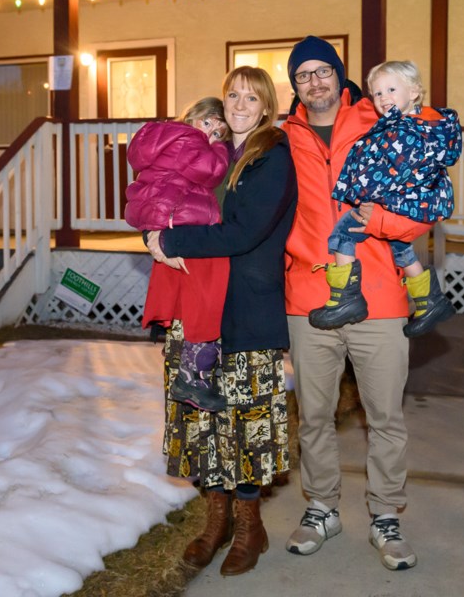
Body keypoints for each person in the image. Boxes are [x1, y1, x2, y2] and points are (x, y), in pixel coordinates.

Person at [280, 36, 430, 571]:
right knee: (314, 415)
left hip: (379, 294)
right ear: (294, 85)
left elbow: (422, 194)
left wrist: (380, 225)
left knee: (385, 415)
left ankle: (386, 514)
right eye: (304, 75)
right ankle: (322, 507)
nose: (315, 82)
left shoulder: (380, 118)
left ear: (339, 77)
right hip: (308, 294)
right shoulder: (282, 137)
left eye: (324, 71)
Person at [145, 66, 298, 576]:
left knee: (246, 422)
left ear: (266, 106)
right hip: (197, 308)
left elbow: (241, 232)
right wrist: (156, 226)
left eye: (250, 98)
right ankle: (215, 524)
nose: (237, 104)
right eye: (232, 95)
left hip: (247, 311)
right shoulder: (206, 152)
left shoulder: (271, 158)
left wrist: (171, 243)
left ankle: (250, 528)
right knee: (201, 423)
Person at [309, 60, 461, 337]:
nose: (383, 98)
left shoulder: (406, 130)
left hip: (405, 201)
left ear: (414, 91)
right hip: (414, 202)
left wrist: (360, 193)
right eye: (377, 93)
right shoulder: (422, 124)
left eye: (391, 89)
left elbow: (389, 170)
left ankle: (346, 296)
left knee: (344, 232)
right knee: (399, 246)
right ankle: (430, 299)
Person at [124, 98, 231, 412]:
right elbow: (211, 171)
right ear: (193, 116)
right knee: (205, 302)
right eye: (209, 123)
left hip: (167, 219)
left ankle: (192, 373)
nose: (212, 132)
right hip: (182, 224)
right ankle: (193, 375)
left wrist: (155, 235)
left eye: (219, 131)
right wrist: (221, 149)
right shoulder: (192, 143)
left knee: (199, 302)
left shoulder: (163, 137)